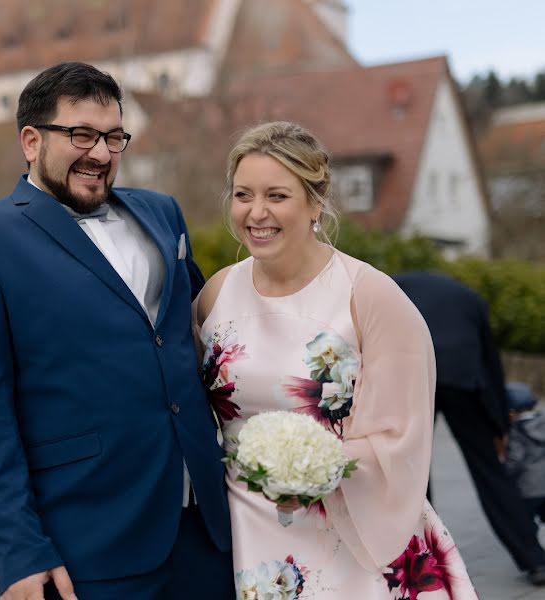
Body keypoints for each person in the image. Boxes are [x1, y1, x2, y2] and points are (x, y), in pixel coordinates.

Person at [0, 62, 234, 600]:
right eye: (81, 135)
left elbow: (207, 333)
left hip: (206, 528)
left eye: (114, 137)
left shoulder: (162, 213)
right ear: (31, 141)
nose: (101, 153)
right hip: (89, 542)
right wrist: (19, 551)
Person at [195, 121, 478, 598]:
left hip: (351, 532)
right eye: (243, 194)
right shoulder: (216, 293)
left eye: (277, 196)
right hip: (248, 534)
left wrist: (314, 467)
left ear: (315, 202)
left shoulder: (368, 295)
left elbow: (401, 437)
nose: (256, 212)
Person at [393, 271, 545, 586]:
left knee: (415, 471)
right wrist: (499, 425)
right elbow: (491, 363)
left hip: (417, 374)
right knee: (489, 471)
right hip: (466, 381)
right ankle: (534, 560)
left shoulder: (387, 285)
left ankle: (422, 562)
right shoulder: (471, 299)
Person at [504, 382, 545, 525]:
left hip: (528, 490)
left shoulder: (517, 430)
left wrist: (503, 473)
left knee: (526, 526)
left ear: (511, 412)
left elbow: (516, 459)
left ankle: (532, 547)